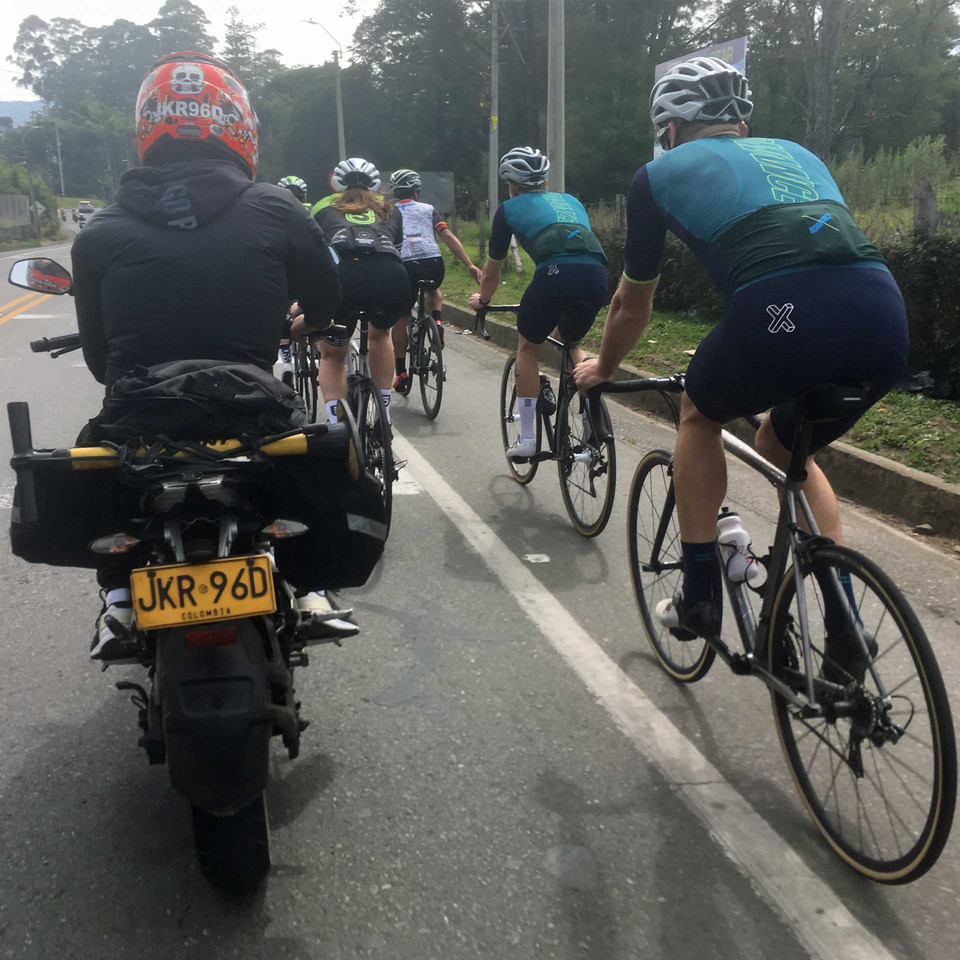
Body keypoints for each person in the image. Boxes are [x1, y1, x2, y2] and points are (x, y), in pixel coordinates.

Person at [574, 56, 908, 672]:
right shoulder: (802, 154)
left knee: (700, 412)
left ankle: (699, 594)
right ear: (741, 122)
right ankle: (845, 622)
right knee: (786, 449)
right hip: (883, 315)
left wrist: (603, 368)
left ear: (669, 129)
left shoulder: (657, 173)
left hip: (783, 312)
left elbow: (631, 302)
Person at [71, 51, 350, 659]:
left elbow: (99, 360)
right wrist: (307, 321)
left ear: (149, 127)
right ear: (237, 126)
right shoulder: (278, 206)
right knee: (307, 470)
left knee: (106, 465)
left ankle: (119, 599)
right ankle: (310, 588)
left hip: (142, 410)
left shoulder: (100, 231)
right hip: (253, 403)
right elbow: (328, 298)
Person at [469, 146, 608, 458]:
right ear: (545, 182)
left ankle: (529, 439)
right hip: (598, 275)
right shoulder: (571, 200)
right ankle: (591, 421)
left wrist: (483, 300)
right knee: (570, 341)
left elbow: (493, 270)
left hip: (555, 274)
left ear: (512, 186)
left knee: (527, 348)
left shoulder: (508, 209)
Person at [298, 158, 407, 430]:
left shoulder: (322, 206)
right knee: (380, 335)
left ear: (336, 183)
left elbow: (311, 255)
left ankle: (336, 426)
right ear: (375, 184)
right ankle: (384, 414)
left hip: (344, 275)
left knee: (333, 354)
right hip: (391, 275)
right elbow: (396, 246)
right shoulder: (389, 206)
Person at [388, 168, 481, 392]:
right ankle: (437, 321)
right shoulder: (429, 209)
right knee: (433, 289)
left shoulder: (388, 211)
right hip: (433, 263)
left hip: (404, 265)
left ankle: (401, 374)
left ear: (394, 192)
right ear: (416, 192)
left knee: (400, 319)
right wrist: (469, 264)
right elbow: (447, 235)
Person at [276, 175, 311, 383]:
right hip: (309, 266)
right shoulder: (311, 209)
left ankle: (287, 361)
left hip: (283, 266)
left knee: (283, 311)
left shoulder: (272, 209)